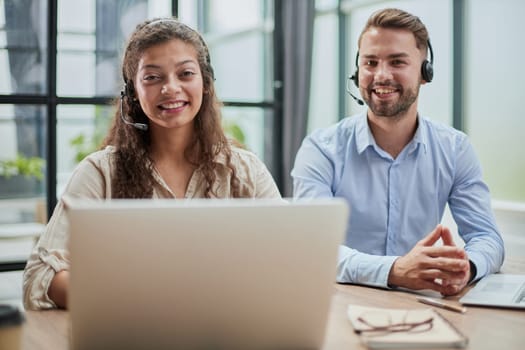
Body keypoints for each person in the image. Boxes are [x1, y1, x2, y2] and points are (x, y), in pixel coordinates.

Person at [23, 17, 281, 310]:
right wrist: (133, 302)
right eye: (152, 77)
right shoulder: (101, 172)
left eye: (185, 73)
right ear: (132, 91)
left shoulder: (245, 170)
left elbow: (288, 260)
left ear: (205, 84)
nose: (171, 88)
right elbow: (40, 275)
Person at [291, 8, 504, 296]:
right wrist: (396, 270)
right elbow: (311, 245)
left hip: (420, 305)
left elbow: (487, 237)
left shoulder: (455, 149)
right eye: (370, 62)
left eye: (397, 62)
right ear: (357, 72)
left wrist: (467, 268)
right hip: (340, 301)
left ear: (425, 72)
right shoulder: (320, 150)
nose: (381, 75)